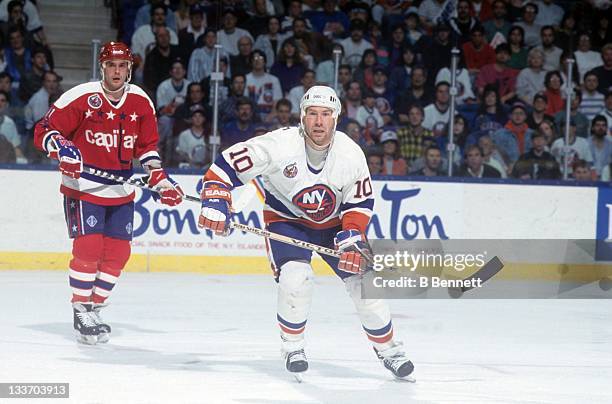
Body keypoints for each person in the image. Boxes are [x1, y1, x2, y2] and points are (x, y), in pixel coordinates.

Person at [197, 85, 415, 380]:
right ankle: (293, 346)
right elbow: (227, 164)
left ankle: (389, 350)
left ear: (336, 118)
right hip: (288, 222)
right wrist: (214, 196)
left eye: (326, 114)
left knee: (365, 284)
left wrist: (352, 236)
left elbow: (359, 202)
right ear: (302, 116)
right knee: (296, 278)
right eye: (312, 114)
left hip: (334, 226)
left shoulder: (350, 154)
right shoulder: (280, 144)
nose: (318, 121)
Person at [32, 42, 184, 345]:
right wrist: (62, 148)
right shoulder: (81, 97)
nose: (117, 71)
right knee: (88, 248)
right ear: (102, 67)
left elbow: (147, 148)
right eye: (111, 65)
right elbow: (44, 130)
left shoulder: (140, 101)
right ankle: (80, 307)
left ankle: (96, 307)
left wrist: (159, 178)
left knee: (118, 254)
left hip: (121, 188)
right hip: (83, 187)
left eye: (122, 66)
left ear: (130, 69)